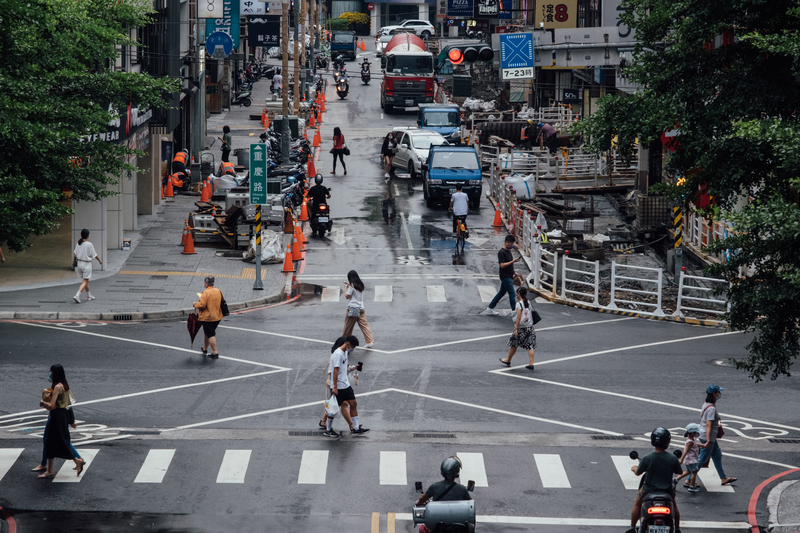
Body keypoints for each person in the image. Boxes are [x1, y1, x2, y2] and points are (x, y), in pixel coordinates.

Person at [627, 427, 682, 533]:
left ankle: (632, 528)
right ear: (667, 441)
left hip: (648, 489)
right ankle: (678, 528)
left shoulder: (647, 458)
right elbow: (679, 472)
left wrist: (634, 468)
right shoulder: (672, 458)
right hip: (667, 490)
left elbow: (638, 473)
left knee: (637, 503)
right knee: (674, 505)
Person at [36, 364, 85, 478]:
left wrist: (43, 403)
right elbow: (68, 404)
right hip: (61, 416)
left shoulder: (58, 387)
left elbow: (52, 405)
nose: (50, 373)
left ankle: (53, 469)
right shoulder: (65, 386)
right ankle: (52, 468)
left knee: (52, 442)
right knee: (59, 441)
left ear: (55, 373)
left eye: (51, 372)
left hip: (56, 416)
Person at [415, 456, 472, 533]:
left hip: (438, 527)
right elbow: (471, 505)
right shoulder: (462, 489)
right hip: (458, 527)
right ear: (457, 471)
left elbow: (422, 499)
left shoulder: (435, 486)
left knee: (422, 528)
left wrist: (419, 503)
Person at [329, 335, 369, 436]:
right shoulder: (338, 354)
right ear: (347, 344)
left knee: (353, 404)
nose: (352, 349)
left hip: (346, 385)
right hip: (339, 386)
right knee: (333, 409)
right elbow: (335, 371)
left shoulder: (345, 352)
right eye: (353, 347)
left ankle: (355, 428)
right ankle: (328, 429)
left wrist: (354, 367)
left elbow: (344, 369)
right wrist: (334, 387)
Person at [697, 384, 737, 486]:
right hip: (708, 437)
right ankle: (687, 478)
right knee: (702, 460)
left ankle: (723, 478)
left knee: (717, 455)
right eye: (718, 392)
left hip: (710, 437)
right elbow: (708, 425)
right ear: (714, 394)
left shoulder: (707, 404)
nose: (719, 394)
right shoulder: (711, 409)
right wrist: (708, 440)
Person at [499, 287, 536, 370]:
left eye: (517, 293)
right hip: (529, 327)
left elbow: (518, 317)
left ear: (519, 294)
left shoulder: (519, 304)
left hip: (521, 328)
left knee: (514, 344)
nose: (516, 294)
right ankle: (531, 363)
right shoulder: (528, 302)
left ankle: (508, 360)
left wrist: (516, 328)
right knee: (530, 345)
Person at [320, 336, 349, 434]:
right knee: (334, 405)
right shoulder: (336, 355)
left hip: (338, 383)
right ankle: (352, 425)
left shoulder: (342, 353)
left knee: (332, 404)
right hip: (333, 383)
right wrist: (335, 386)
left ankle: (323, 421)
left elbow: (343, 368)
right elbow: (333, 372)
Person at [486, 235, 521, 315]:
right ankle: (513, 311)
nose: (512, 245)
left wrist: (514, 272)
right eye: (511, 243)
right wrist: (513, 261)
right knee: (512, 293)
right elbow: (502, 265)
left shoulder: (509, 251)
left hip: (509, 275)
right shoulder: (501, 252)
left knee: (501, 292)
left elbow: (510, 263)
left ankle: (490, 307)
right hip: (505, 276)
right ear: (507, 242)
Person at [193, 276, 223, 359]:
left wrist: (195, 304)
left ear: (206, 283)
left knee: (210, 334)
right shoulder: (218, 291)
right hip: (217, 316)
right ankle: (205, 348)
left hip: (208, 317)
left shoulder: (205, 292)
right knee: (207, 332)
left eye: (204, 283)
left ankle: (215, 352)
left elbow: (202, 305)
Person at [343, 270, 375, 348]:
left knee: (348, 326)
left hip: (353, 307)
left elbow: (347, 296)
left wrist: (346, 288)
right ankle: (370, 341)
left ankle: (344, 341)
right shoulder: (361, 284)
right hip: (361, 307)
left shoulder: (352, 286)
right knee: (364, 325)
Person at [72, 229, 102, 304]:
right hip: (86, 264)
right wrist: (99, 260)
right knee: (85, 281)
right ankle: (77, 295)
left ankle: (89, 295)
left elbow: (75, 254)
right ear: (88, 235)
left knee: (86, 280)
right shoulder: (89, 244)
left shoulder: (78, 243)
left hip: (79, 264)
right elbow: (94, 255)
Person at [675, 423, 702, 492]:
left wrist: (703, 445)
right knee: (694, 472)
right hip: (691, 460)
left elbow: (695, 444)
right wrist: (681, 459)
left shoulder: (691, 440)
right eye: (696, 432)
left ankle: (675, 479)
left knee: (688, 471)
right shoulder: (690, 442)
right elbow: (686, 451)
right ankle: (692, 486)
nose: (697, 434)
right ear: (693, 433)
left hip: (689, 460)